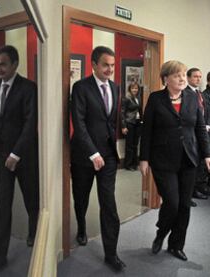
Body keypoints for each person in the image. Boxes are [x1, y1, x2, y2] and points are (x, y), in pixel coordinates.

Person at [140, 60, 210, 261]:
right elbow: (146, 130)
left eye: (183, 74)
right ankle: (161, 231)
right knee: (172, 203)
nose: (182, 78)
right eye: (177, 75)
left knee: (184, 206)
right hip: (163, 160)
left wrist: (207, 154)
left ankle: (176, 245)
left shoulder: (192, 98)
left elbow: (200, 128)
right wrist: (144, 158)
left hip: (189, 159)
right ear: (166, 79)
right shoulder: (156, 99)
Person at [70, 46, 125, 272]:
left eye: (112, 65)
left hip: (109, 156)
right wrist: (93, 152)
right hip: (84, 155)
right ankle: (81, 227)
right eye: (105, 65)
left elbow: (111, 120)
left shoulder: (116, 87)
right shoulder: (80, 87)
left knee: (108, 203)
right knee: (81, 197)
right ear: (94, 64)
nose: (110, 69)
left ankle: (111, 253)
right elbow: (79, 122)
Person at [0, 45, 39, 275]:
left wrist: (15, 154)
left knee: (32, 203)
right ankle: (0, 256)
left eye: (3, 64)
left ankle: (34, 235)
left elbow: (30, 123)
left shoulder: (28, 88)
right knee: (2, 206)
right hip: (1, 157)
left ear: (15, 64)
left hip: (24, 157)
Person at [185, 67, 210, 204]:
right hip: (191, 136)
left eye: (200, 77)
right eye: (195, 76)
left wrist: (208, 124)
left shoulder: (200, 93)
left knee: (199, 165)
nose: (198, 79)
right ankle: (187, 195)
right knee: (190, 166)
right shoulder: (185, 93)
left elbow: (207, 112)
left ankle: (195, 189)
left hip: (202, 134)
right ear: (188, 78)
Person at [121, 82, 142, 171]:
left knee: (135, 144)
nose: (135, 90)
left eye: (136, 88)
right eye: (133, 88)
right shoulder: (126, 98)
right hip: (129, 123)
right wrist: (123, 126)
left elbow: (140, 110)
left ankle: (135, 163)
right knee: (129, 145)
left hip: (137, 123)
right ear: (130, 89)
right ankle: (128, 164)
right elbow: (122, 112)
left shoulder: (139, 98)